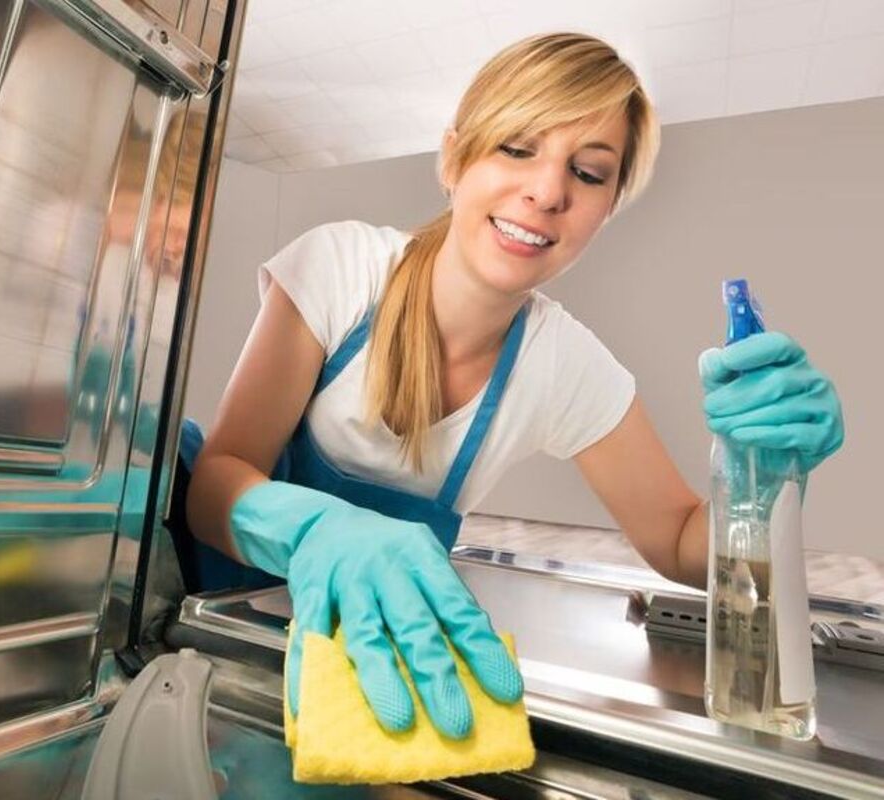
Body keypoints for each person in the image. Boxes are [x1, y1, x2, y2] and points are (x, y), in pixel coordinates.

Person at [172, 33, 844, 742]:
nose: (548, 191)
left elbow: (680, 542)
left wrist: (762, 473)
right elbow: (216, 486)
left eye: (588, 173)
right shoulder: (343, 268)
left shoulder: (563, 365)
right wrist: (320, 532)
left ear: (607, 207)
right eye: (518, 149)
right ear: (454, 158)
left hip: (357, 656)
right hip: (210, 614)